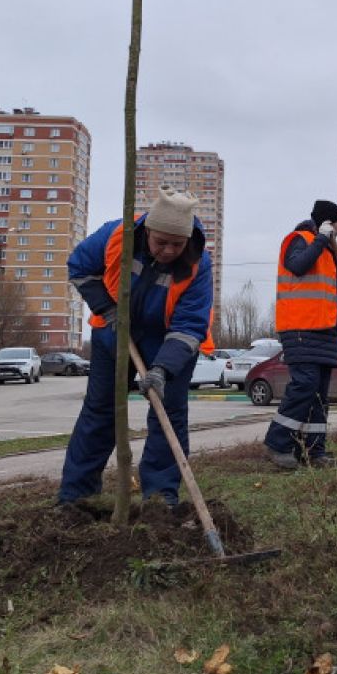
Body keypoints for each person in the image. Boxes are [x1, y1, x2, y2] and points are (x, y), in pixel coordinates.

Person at [59, 185, 212, 506]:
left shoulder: (199, 263)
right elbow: (80, 268)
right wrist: (108, 309)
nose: (169, 251)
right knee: (100, 412)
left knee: (168, 415)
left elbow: (190, 326)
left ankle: (160, 498)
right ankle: (76, 497)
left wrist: (162, 368)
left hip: (168, 339)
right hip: (113, 331)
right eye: (161, 242)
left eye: (177, 244)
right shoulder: (115, 236)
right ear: (148, 230)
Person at [263, 200, 337, 470]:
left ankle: (315, 450)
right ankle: (278, 443)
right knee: (304, 385)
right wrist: (321, 240)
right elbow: (298, 266)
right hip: (300, 326)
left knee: (319, 393)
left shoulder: (330, 252)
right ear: (325, 223)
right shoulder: (298, 240)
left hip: (325, 330)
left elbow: (327, 292)